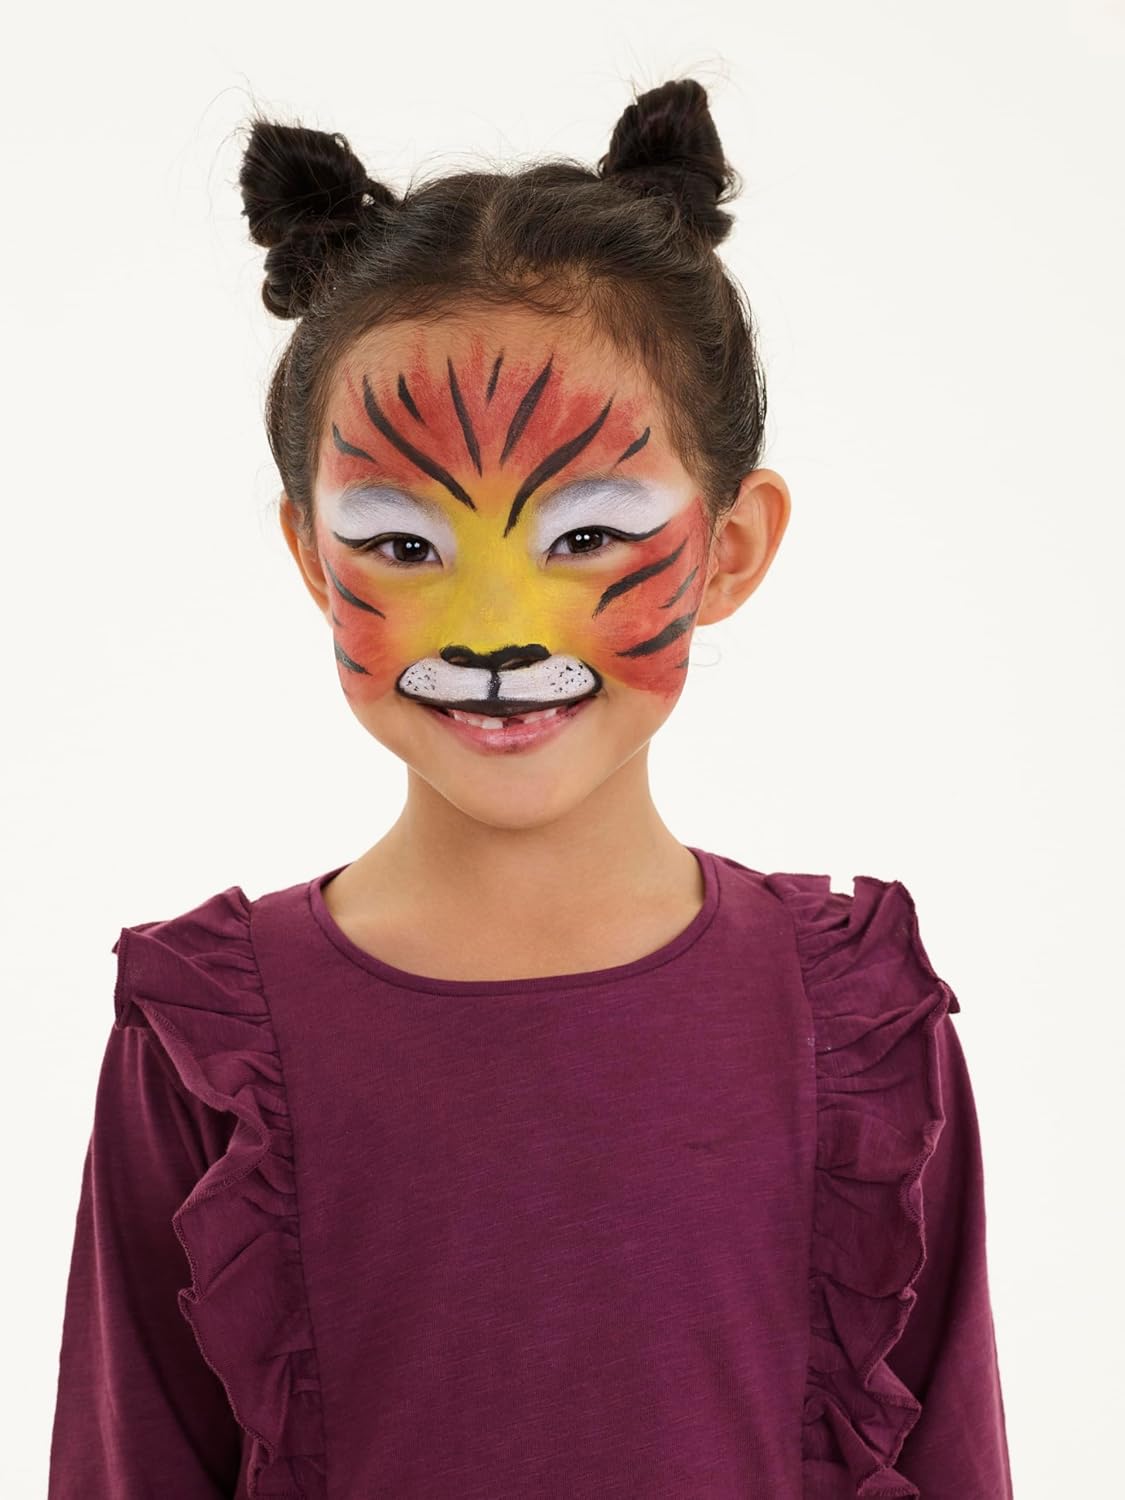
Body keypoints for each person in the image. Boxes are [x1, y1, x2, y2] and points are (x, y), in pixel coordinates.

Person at [47, 77, 1013, 1499]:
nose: (494, 631)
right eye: (403, 544)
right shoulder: (206, 1040)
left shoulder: (858, 1024)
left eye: (588, 535)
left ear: (731, 549)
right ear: (313, 557)